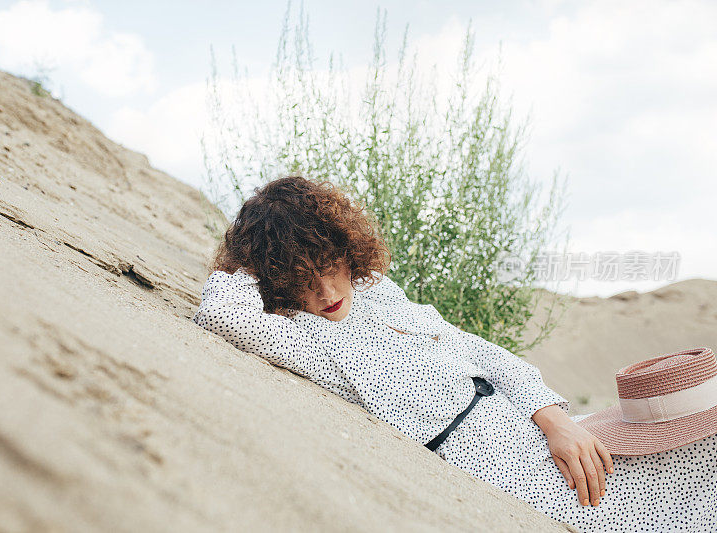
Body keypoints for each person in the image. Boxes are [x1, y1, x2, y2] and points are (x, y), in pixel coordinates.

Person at [193, 175, 717, 532]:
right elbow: (221, 309)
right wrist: (255, 257)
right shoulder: (303, 333)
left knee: (696, 442)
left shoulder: (377, 293)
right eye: (300, 278)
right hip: (500, 469)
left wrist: (553, 417)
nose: (326, 290)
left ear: (348, 252)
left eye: (330, 265)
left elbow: (477, 349)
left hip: (525, 424)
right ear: (277, 282)